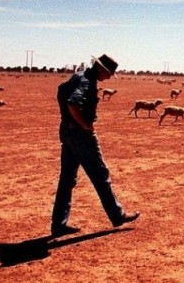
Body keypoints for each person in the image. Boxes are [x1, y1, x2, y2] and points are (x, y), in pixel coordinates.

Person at [51, 54, 139, 237]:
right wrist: (85, 125)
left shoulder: (79, 75)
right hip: (80, 135)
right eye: (108, 74)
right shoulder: (87, 82)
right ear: (101, 69)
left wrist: (68, 120)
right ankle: (117, 215)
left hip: (67, 132)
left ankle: (59, 224)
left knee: (67, 179)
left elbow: (61, 92)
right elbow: (73, 103)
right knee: (100, 175)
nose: (108, 78)